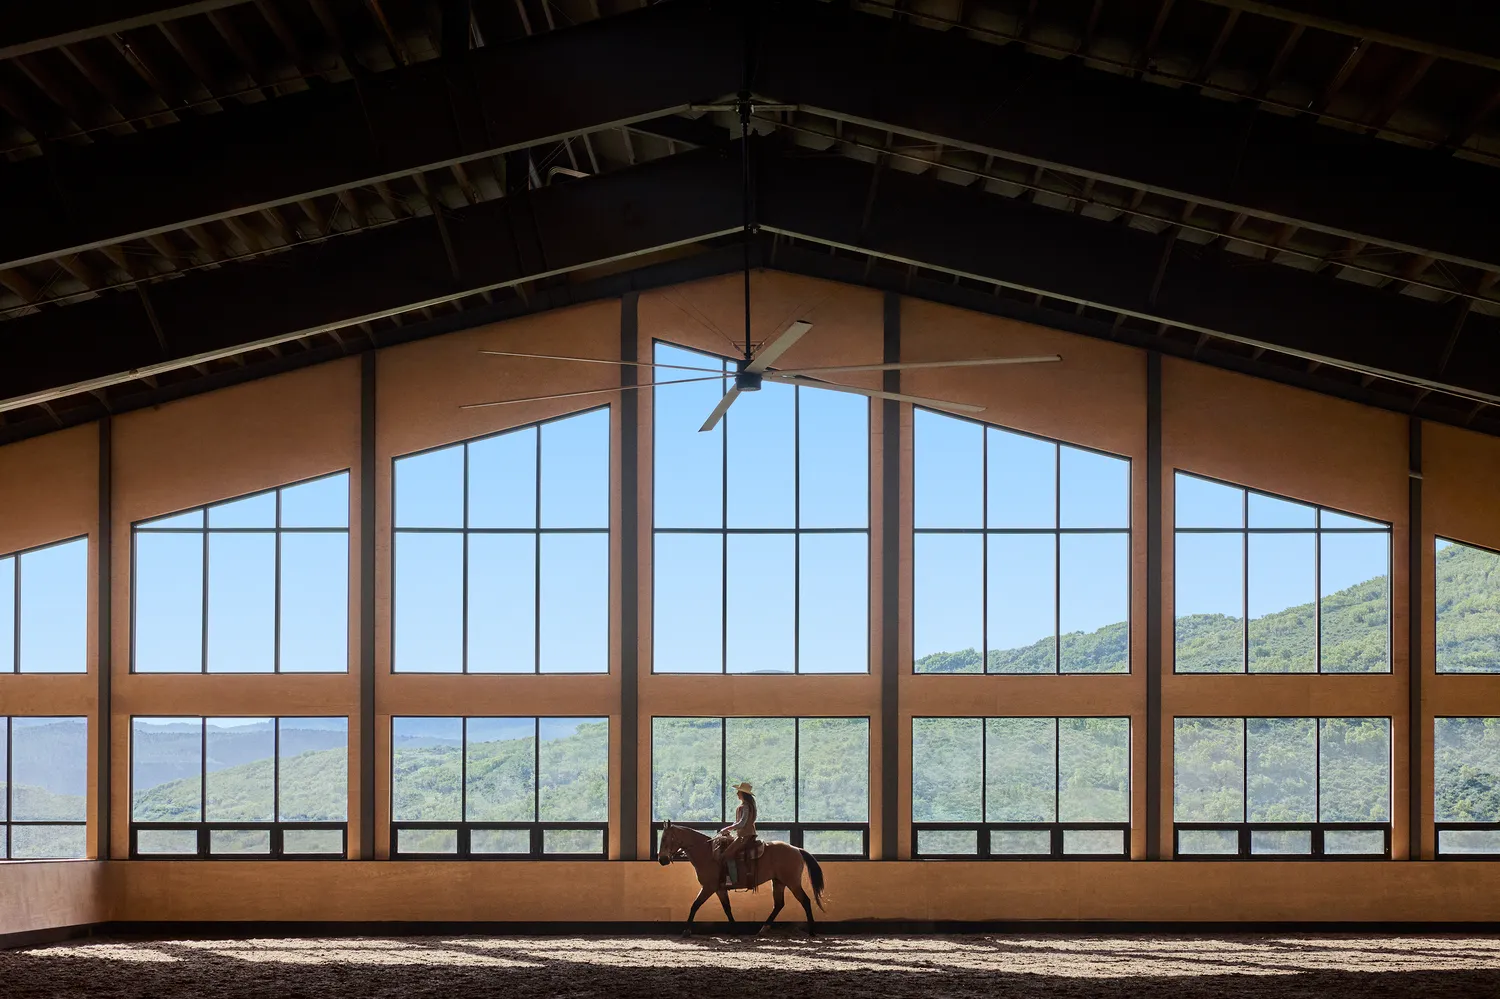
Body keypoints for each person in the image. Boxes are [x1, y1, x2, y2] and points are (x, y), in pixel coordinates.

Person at [716, 781, 758, 887]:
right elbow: (740, 823)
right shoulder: (749, 806)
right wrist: (731, 828)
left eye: (739, 792)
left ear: (743, 794)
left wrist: (727, 828)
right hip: (746, 835)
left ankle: (731, 879)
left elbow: (742, 823)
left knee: (727, 854)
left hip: (744, 836)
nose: (737, 794)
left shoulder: (745, 806)